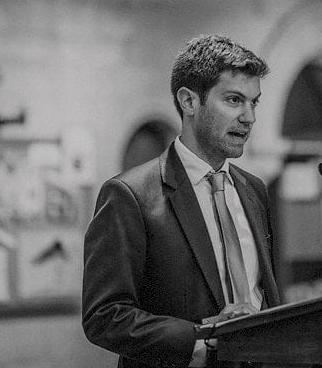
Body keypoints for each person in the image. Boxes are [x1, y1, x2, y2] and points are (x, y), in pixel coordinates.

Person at [82, 34, 281, 368]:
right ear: (189, 101)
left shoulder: (254, 190)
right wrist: (197, 339)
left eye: (254, 102)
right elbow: (104, 315)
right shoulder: (129, 195)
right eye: (234, 100)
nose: (249, 117)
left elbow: (264, 295)